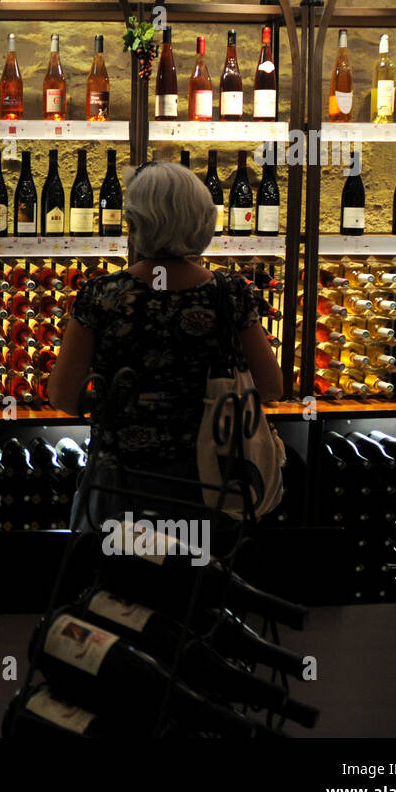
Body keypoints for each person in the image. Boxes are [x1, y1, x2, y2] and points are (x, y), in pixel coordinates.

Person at [48, 161, 282, 534]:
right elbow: (271, 388)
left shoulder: (102, 296)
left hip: (120, 485)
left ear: (137, 223)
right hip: (204, 486)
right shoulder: (231, 293)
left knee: (117, 585)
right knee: (188, 585)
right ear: (202, 222)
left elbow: (61, 395)